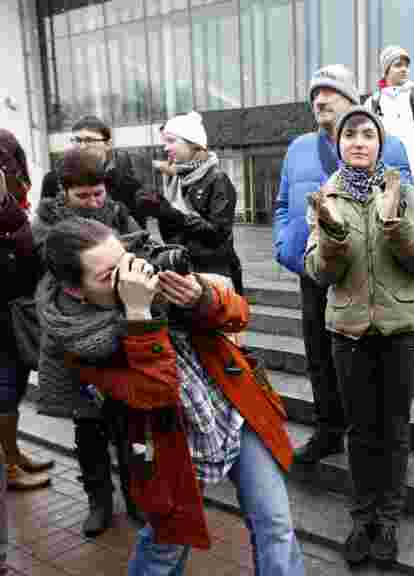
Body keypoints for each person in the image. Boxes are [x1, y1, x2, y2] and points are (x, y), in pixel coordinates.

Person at [39, 217, 305, 575]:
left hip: (230, 411)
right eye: (107, 277)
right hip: (169, 445)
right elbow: (156, 392)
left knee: (276, 526)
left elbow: (239, 315)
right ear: (76, 290)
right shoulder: (77, 340)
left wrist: (202, 298)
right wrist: (138, 316)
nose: (125, 277)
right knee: (166, 547)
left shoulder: (153, 268)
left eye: (122, 262)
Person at [304, 107, 414, 567]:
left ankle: (389, 520)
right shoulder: (326, 196)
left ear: (381, 143)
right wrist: (332, 232)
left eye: (368, 134)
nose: (359, 142)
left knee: (394, 429)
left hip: (400, 330)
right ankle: (362, 518)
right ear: (338, 144)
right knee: (361, 431)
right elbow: (319, 272)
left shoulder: (407, 193)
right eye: (350, 135)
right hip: (348, 330)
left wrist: (393, 221)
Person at [274, 64, 413, 465]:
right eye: (315, 92)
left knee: (360, 364)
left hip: (363, 277)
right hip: (313, 271)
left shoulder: (388, 144)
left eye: (330, 91)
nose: (319, 99)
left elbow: (404, 204)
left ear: (353, 100)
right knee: (318, 356)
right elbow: (283, 204)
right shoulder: (298, 148)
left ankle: (366, 437)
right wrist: (286, 245)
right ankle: (328, 430)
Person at [33, 147, 146, 535]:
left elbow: (140, 244)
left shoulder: (116, 213)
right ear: (64, 191)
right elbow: (48, 264)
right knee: (89, 431)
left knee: (130, 428)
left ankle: (136, 497)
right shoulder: (47, 221)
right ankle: (99, 500)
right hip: (74, 332)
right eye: (83, 196)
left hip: (117, 332)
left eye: (98, 193)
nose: (93, 202)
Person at [138, 111, 244, 294]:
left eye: (171, 141)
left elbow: (218, 235)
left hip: (213, 275)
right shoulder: (178, 179)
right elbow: (174, 235)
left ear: (193, 143)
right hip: (183, 271)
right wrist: (158, 211)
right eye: (165, 142)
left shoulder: (218, 180)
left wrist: (171, 213)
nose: (165, 148)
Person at [0, 130, 51, 493]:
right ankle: (7, 466)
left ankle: (13, 453)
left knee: (14, 385)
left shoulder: (12, 209)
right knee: (3, 387)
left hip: (15, 308)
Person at [41, 115, 147, 225]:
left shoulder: (128, 186)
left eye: (89, 140)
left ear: (108, 144)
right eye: (77, 140)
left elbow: (137, 236)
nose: (81, 146)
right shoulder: (52, 180)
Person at [366, 45, 414, 199]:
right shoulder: (372, 103)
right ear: (386, 70)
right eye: (398, 65)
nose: (404, 69)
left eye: (406, 65)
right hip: (381, 184)